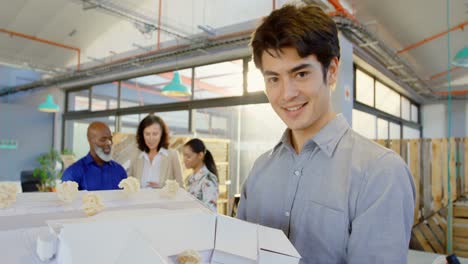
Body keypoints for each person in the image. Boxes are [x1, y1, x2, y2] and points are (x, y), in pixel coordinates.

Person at [237, 4, 415, 264]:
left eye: (300, 73)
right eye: (273, 78)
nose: (286, 94)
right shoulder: (260, 170)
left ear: (331, 71)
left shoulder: (380, 173)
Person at [61, 122, 127, 190]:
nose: (109, 143)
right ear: (90, 140)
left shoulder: (119, 171)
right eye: (103, 139)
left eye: (110, 139)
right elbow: (65, 198)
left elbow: (127, 199)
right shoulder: (73, 172)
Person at [128, 114, 183, 188]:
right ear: (142, 134)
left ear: (162, 134)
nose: (151, 138)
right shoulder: (136, 155)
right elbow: (130, 185)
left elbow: (181, 188)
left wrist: (162, 187)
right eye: (147, 134)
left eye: (155, 134)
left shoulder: (172, 155)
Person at [183, 138, 219, 212]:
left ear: (200, 155)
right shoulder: (190, 178)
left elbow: (210, 211)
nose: (185, 159)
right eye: (184, 155)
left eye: (188, 156)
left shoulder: (208, 179)